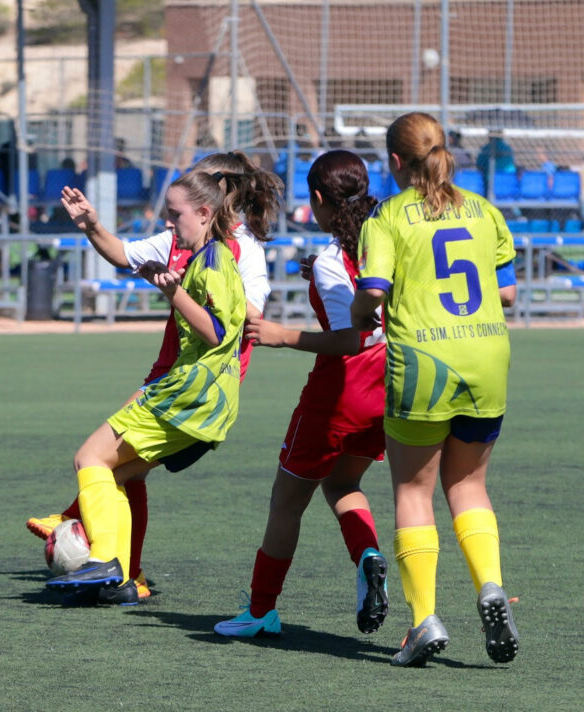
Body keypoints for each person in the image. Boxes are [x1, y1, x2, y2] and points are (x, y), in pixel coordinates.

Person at [27, 151, 282, 600]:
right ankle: (124, 576)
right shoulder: (200, 248)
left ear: (207, 207)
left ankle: (104, 555)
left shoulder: (225, 255)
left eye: (173, 214)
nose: (167, 223)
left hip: (190, 390)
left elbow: (225, 328)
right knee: (117, 473)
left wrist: (174, 291)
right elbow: (124, 254)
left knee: (90, 459)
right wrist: (91, 225)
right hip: (192, 390)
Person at [350, 111, 519, 667]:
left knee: (413, 491)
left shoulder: (388, 217)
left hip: (425, 364)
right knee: (469, 486)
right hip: (487, 360)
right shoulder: (486, 210)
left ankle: (424, 620)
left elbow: (373, 294)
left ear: (394, 162)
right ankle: (491, 587)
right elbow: (509, 293)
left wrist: (357, 312)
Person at [214, 149, 389, 638]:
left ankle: (261, 610)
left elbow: (349, 338)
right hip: (390, 385)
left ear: (316, 198)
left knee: (286, 502)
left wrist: (279, 334)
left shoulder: (336, 258)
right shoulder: (383, 238)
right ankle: (368, 556)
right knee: (341, 484)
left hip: (342, 391)